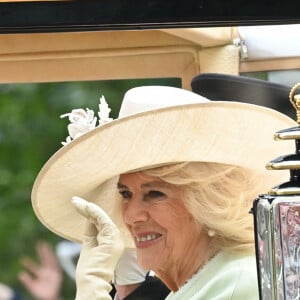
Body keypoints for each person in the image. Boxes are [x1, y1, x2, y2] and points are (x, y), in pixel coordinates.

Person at [31, 85, 297, 299]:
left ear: (206, 201)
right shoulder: (198, 285)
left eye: (155, 193)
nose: (132, 215)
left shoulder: (238, 284)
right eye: (125, 194)